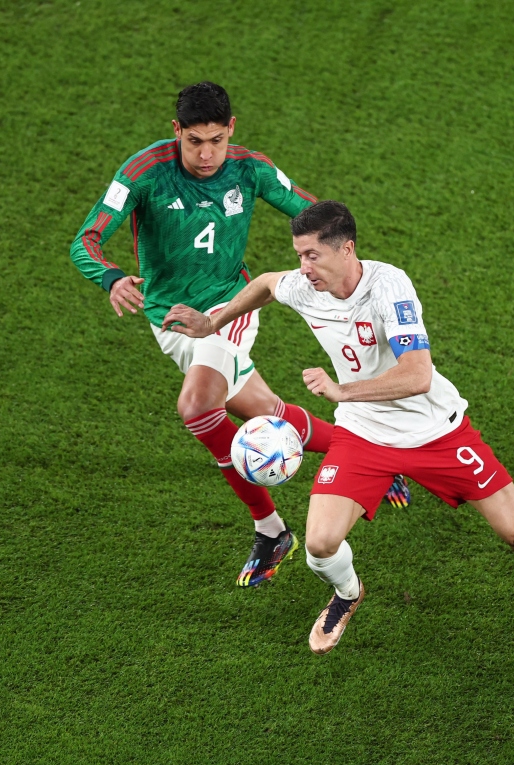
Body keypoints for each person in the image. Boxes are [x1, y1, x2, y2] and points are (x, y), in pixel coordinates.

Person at [163, 200, 514, 657]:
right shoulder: (304, 287)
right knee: (319, 545)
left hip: (437, 432)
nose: (302, 267)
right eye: (298, 255)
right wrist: (212, 322)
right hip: (364, 436)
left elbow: (417, 375)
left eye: (312, 256)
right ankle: (348, 594)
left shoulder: (388, 288)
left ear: (347, 250)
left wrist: (342, 393)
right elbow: (263, 285)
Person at [69, 82, 409, 588]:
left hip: (229, 307)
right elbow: (86, 239)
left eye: (216, 141)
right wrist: (113, 276)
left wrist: (342, 263)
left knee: (198, 407)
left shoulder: (250, 168)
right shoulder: (143, 173)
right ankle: (376, 454)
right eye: (194, 142)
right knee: (261, 408)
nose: (206, 155)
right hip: (169, 319)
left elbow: (312, 211)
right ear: (176, 131)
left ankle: (270, 530)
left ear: (232, 129)